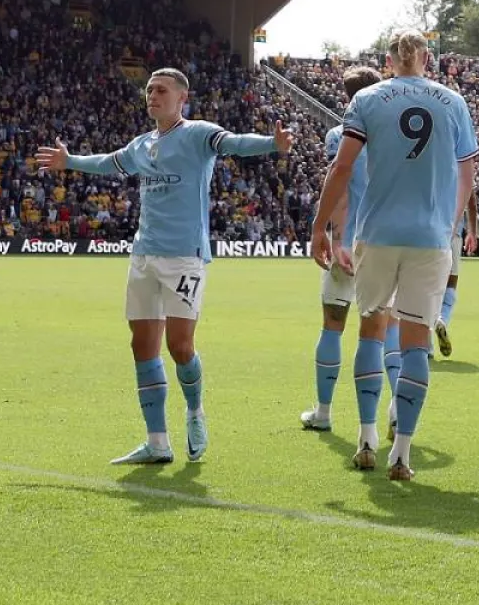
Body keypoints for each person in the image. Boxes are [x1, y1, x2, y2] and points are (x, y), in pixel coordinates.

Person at [36, 67, 293, 465]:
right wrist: (70, 160)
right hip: (143, 255)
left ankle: (195, 412)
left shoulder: (197, 134)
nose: (152, 96)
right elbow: (109, 163)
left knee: (179, 345)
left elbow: (234, 143)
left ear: (181, 99)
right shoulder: (142, 144)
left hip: (184, 255)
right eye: (149, 90)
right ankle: (157, 442)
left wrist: (271, 144)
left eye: (161, 90)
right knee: (142, 346)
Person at [309, 30, 477, 482]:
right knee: (415, 341)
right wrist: (452, 221)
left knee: (370, 331)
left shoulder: (366, 99)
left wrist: (319, 227)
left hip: (377, 232)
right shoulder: (453, 102)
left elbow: (342, 167)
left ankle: (365, 439)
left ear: (388, 60)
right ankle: (401, 454)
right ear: (426, 58)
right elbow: (467, 175)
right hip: (429, 237)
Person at [300, 65, 381, 432]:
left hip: (350, 243)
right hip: (385, 243)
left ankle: (324, 412)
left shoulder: (340, 134)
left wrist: (335, 239)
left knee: (333, 325)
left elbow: (341, 188)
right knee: (381, 332)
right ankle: (386, 419)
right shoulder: (392, 136)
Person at [434, 189, 477, 359]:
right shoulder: (461, 163)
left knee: (426, 286)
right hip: (454, 233)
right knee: (451, 284)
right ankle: (442, 319)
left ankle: (425, 346)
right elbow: (471, 199)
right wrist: (472, 232)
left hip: (429, 230)